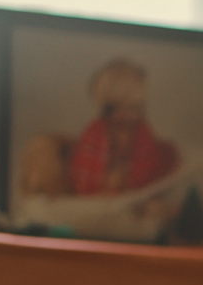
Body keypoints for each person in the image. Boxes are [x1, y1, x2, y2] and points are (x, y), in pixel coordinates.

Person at [67, 58, 179, 195]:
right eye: (114, 108)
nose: (126, 116)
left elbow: (147, 171)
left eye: (135, 107)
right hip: (100, 195)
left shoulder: (142, 133)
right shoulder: (95, 133)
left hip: (132, 195)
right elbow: (84, 173)